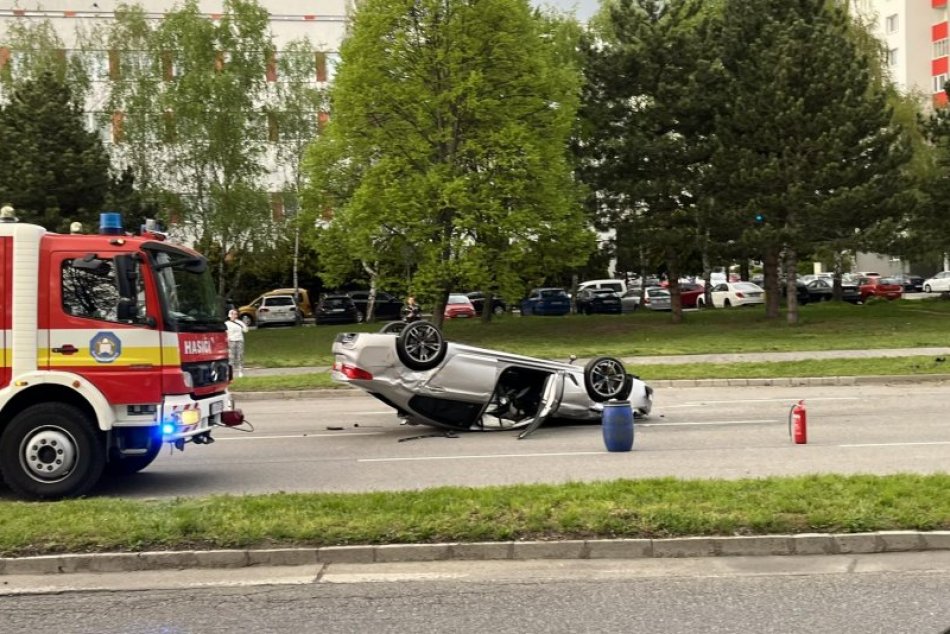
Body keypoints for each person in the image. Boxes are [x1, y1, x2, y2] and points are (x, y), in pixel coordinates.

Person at [225, 309, 249, 378]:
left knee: (240, 356)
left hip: (239, 341)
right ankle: (231, 372)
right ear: (230, 315)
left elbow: (246, 330)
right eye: (233, 314)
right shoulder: (227, 323)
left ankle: (240, 371)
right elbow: (226, 333)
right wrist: (227, 340)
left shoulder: (240, 322)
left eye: (236, 314)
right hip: (231, 341)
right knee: (231, 357)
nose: (235, 315)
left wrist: (245, 324)